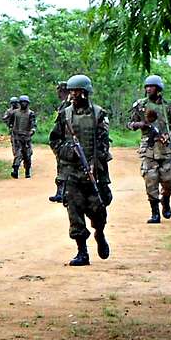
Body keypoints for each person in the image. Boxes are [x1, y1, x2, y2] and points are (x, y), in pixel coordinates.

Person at [49, 74, 112, 267]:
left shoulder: (98, 113)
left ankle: (99, 234)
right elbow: (54, 140)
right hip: (71, 173)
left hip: (94, 172)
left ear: (85, 92)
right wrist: (68, 152)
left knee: (98, 210)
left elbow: (103, 142)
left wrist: (95, 161)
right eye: (71, 91)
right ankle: (82, 251)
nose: (73, 95)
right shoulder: (64, 115)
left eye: (77, 91)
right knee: (74, 212)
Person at [127, 74, 171, 223]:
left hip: (165, 148)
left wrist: (168, 136)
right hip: (148, 148)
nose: (148, 89)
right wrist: (139, 124)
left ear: (158, 88)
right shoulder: (140, 105)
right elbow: (129, 124)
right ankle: (155, 213)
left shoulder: (168, 106)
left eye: (151, 86)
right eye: (147, 87)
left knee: (168, 180)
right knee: (151, 180)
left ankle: (166, 200)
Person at [49, 81, 70, 202]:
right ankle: (61, 193)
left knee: (65, 168)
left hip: (68, 141)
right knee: (62, 168)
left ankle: (64, 193)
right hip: (63, 141)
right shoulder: (64, 104)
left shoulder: (67, 104)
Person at [10, 95, 36, 178]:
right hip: (17, 137)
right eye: (22, 102)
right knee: (18, 154)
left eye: (25, 102)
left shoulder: (30, 113)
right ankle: (15, 170)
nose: (24, 104)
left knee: (27, 155)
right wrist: (12, 130)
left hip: (27, 137)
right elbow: (10, 122)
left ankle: (27, 171)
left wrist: (32, 130)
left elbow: (33, 124)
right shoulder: (15, 113)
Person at [2, 97, 19, 162]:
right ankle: (16, 156)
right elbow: (5, 118)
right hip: (14, 129)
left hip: (22, 129)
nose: (14, 104)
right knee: (14, 143)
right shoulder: (9, 111)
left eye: (15, 103)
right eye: (13, 103)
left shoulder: (21, 110)